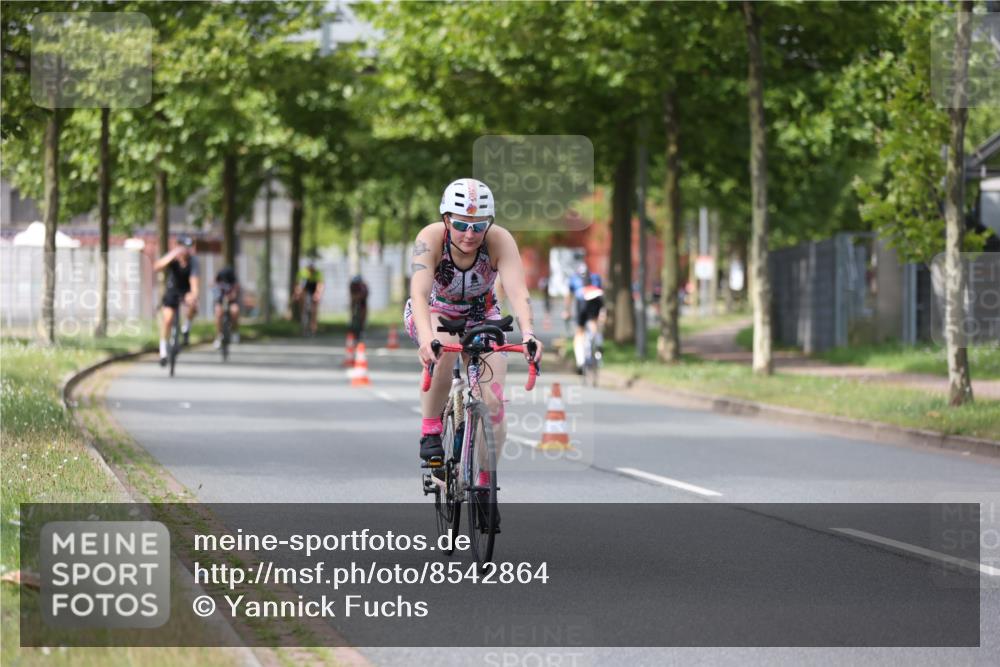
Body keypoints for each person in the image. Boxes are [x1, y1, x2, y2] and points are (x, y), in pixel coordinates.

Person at [404, 178, 543, 477]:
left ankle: (484, 477)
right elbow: (418, 293)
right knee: (443, 351)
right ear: (445, 220)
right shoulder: (430, 238)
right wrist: (427, 340)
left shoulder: (500, 240)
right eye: (461, 224)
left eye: (479, 226)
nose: (470, 234)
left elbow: (518, 292)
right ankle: (430, 428)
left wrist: (529, 333)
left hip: (484, 314)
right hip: (435, 311)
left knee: (492, 400)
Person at [154, 235, 199, 366]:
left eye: (188, 248)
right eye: (184, 247)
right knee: (167, 319)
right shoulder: (172, 259)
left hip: (186, 290)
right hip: (172, 290)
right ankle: (163, 352)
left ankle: (186, 329)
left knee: (193, 304)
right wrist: (172, 254)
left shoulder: (193, 262)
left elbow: (194, 282)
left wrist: (194, 295)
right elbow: (157, 267)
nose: (186, 250)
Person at [563, 262, 605, 373]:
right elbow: (601, 294)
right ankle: (598, 345)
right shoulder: (596, 277)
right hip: (595, 300)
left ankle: (580, 361)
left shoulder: (574, 280)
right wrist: (602, 312)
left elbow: (569, 296)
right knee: (594, 324)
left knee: (579, 331)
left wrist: (567, 311)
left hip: (581, 302)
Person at [293, 259, 324, 335]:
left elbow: (320, 285)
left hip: (314, 287)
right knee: (303, 304)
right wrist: (297, 294)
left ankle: (313, 327)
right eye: (309, 269)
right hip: (305, 288)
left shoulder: (318, 273)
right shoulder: (302, 272)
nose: (311, 271)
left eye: (312, 269)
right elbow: (298, 285)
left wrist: (317, 294)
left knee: (314, 309)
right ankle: (303, 326)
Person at [213, 266, 241, 348]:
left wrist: (232, 295)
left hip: (231, 301)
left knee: (235, 310)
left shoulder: (234, 282)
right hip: (220, 301)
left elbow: (236, 290)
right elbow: (213, 287)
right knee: (218, 312)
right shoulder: (217, 281)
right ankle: (219, 336)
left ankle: (234, 331)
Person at [349, 275, 369, 341]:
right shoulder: (352, 285)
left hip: (362, 301)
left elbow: (365, 295)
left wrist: (359, 297)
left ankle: (362, 329)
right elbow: (351, 294)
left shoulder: (364, 286)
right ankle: (352, 323)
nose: (356, 284)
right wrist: (355, 298)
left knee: (363, 314)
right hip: (354, 300)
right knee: (352, 308)